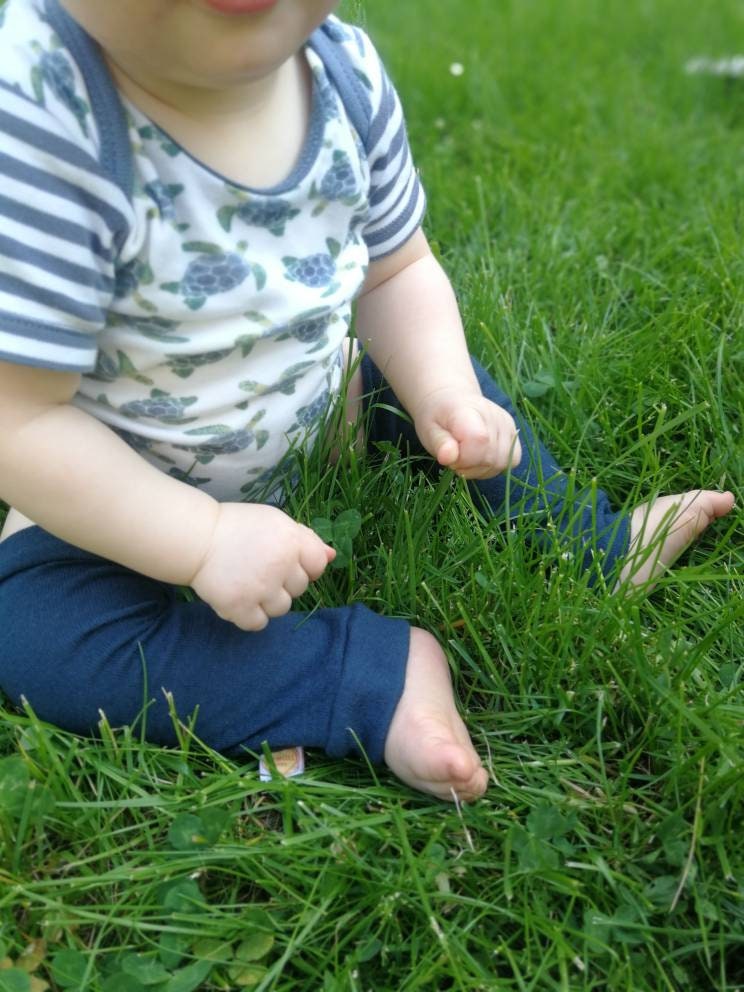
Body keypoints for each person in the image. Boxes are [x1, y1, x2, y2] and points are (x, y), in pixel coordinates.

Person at [0, 0, 734, 803]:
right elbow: (23, 420)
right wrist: (199, 537)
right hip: (116, 487)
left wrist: (444, 391)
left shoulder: (342, 74)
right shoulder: (41, 109)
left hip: (323, 405)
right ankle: (359, 677)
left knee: (444, 394)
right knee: (31, 636)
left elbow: (397, 272)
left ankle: (584, 543)